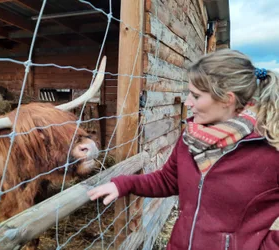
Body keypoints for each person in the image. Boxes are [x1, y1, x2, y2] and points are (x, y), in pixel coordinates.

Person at [87, 49, 279, 250]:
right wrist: (123, 184)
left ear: (227, 99)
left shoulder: (270, 150)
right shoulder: (191, 138)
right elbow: (168, 181)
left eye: (196, 96)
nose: (188, 102)